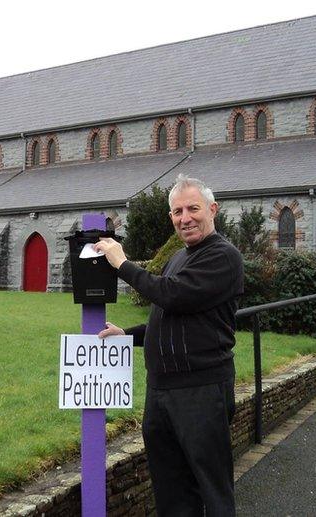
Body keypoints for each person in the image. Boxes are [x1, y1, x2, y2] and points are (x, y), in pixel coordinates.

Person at [92, 174, 244, 516]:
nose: (185, 218)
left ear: (212, 209)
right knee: (171, 491)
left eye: (193, 208)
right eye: (177, 211)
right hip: (161, 393)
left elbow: (172, 295)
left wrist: (121, 263)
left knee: (213, 489)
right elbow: (171, 317)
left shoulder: (222, 256)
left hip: (201, 391)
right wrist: (126, 335)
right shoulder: (180, 258)